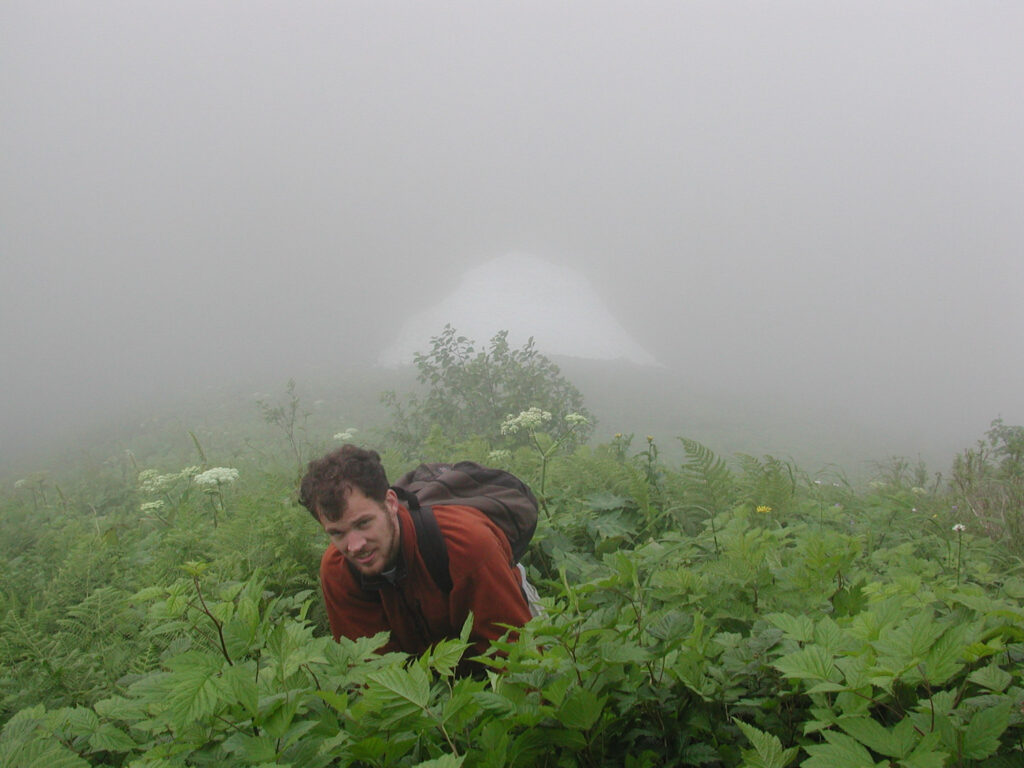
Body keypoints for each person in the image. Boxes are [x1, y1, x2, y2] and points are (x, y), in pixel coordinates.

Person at [299, 444, 532, 667]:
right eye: (337, 533)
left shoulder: (465, 543)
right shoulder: (338, 569)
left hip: (508, 599)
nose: (355, 546)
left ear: (390, 503)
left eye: (364, 523)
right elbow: (369, 674)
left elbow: (518, 659)